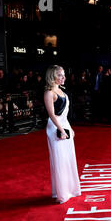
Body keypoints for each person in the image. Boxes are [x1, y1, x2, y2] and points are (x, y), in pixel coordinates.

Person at [43, 65, 81, 204]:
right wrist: (62, 130)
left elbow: (64, 115)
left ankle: (70, 189)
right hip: (55, 129)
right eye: (60, 75)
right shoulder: (49, 92)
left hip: (65, 127)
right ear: (52, 76)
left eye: (63, 75)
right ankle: (61, 193)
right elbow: (52, 115)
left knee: (68, 159)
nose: (63, 77)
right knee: (59, 161)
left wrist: (69, 129)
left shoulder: (61, 91)